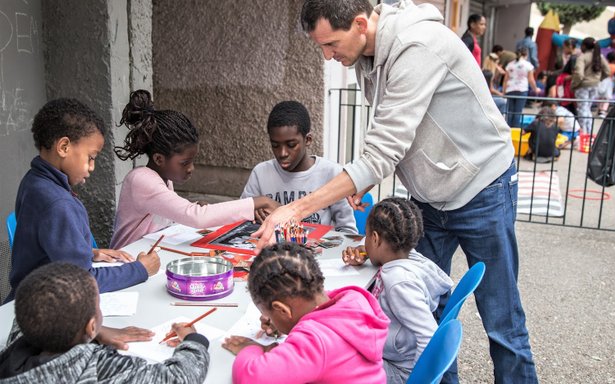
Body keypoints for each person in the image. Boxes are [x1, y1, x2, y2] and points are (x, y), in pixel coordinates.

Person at [255, 1, 539, 383]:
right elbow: (394, 136)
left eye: (330, 44)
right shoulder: (364, 55)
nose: (327, 56)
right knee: (424, 311)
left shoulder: (416, 45)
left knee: (501, 320)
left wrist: (295, 210)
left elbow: (383, 149)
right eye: (320, 47)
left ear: (360, 24)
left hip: (481, 187)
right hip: (429, 196)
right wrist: (368, 175)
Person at [6, 98, 161, 304]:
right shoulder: (58, 202)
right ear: (63, 147)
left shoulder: (34, 180)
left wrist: (86, 253)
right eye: (91, 157)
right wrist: (140, 269)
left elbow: (45, 246)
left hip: (27, 296)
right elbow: (83, 282)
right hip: (44, 307)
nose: (92, 167)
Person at [110, 90, 280, 249]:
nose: (191, 169)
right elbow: (197, 216)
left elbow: (172, 214)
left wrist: (192, 207)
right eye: (185, 163)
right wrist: (259, 201)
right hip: (126, 262)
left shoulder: (163, 178)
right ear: (159, 159)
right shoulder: (141, 179)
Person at [0, 262, 210, 383]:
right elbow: (178, 378)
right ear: (91, 326)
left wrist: (94, 332)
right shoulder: (98, 366)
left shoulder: (15, 347)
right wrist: (194, 340)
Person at [222, 243, 389, 383]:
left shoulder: (315, 342)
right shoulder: (353, 300)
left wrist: (250, 348)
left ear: (282, 310)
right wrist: (281, 320)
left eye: (271, 315)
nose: (270, 320)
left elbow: (250, 377)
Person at [341, 198, 453, 384]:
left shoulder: (399, 282)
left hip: (398, 370)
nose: (365, 240)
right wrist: (366, 252)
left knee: (334, 360)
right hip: (394, 355)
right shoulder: (411, 257)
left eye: (366, 236)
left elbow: (429, 336)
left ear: (375, 239)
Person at [241, 101, 357, 233]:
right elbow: (239, 222)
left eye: (291, 145)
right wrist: (252, 214)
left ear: (307, 140)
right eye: (275, 145)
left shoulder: (332, 173)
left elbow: (347, 231)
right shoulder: (260, 173)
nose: (282, 153)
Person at [572, 37, 610, 135]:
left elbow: (579, 74)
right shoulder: (599, 56)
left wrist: (575, 84)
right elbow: (607, 71)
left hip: (583, 86)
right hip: (595, 86)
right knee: (587, 109)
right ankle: (588, 133)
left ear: (584, 46)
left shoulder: (582, 57)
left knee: (582, 110)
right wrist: (598, 79)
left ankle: (583, 133)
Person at [504, 47, 540, 128]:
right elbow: (531, 80)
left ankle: (508, 129)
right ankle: (515, 131)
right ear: (526, 54)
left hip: (510, 89)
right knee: (518, 112)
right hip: (522, 90)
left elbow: (505, 80)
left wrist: (503, 92)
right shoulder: (528, 65)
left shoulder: (510, 65)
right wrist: (535, 89)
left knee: (509, 112)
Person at [597, 51, 615, 117]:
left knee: (601, 97)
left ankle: (599, 109)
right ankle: (603, 111)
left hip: (601, 81)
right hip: (609, 82)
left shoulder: (604, 65)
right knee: (607, 98)